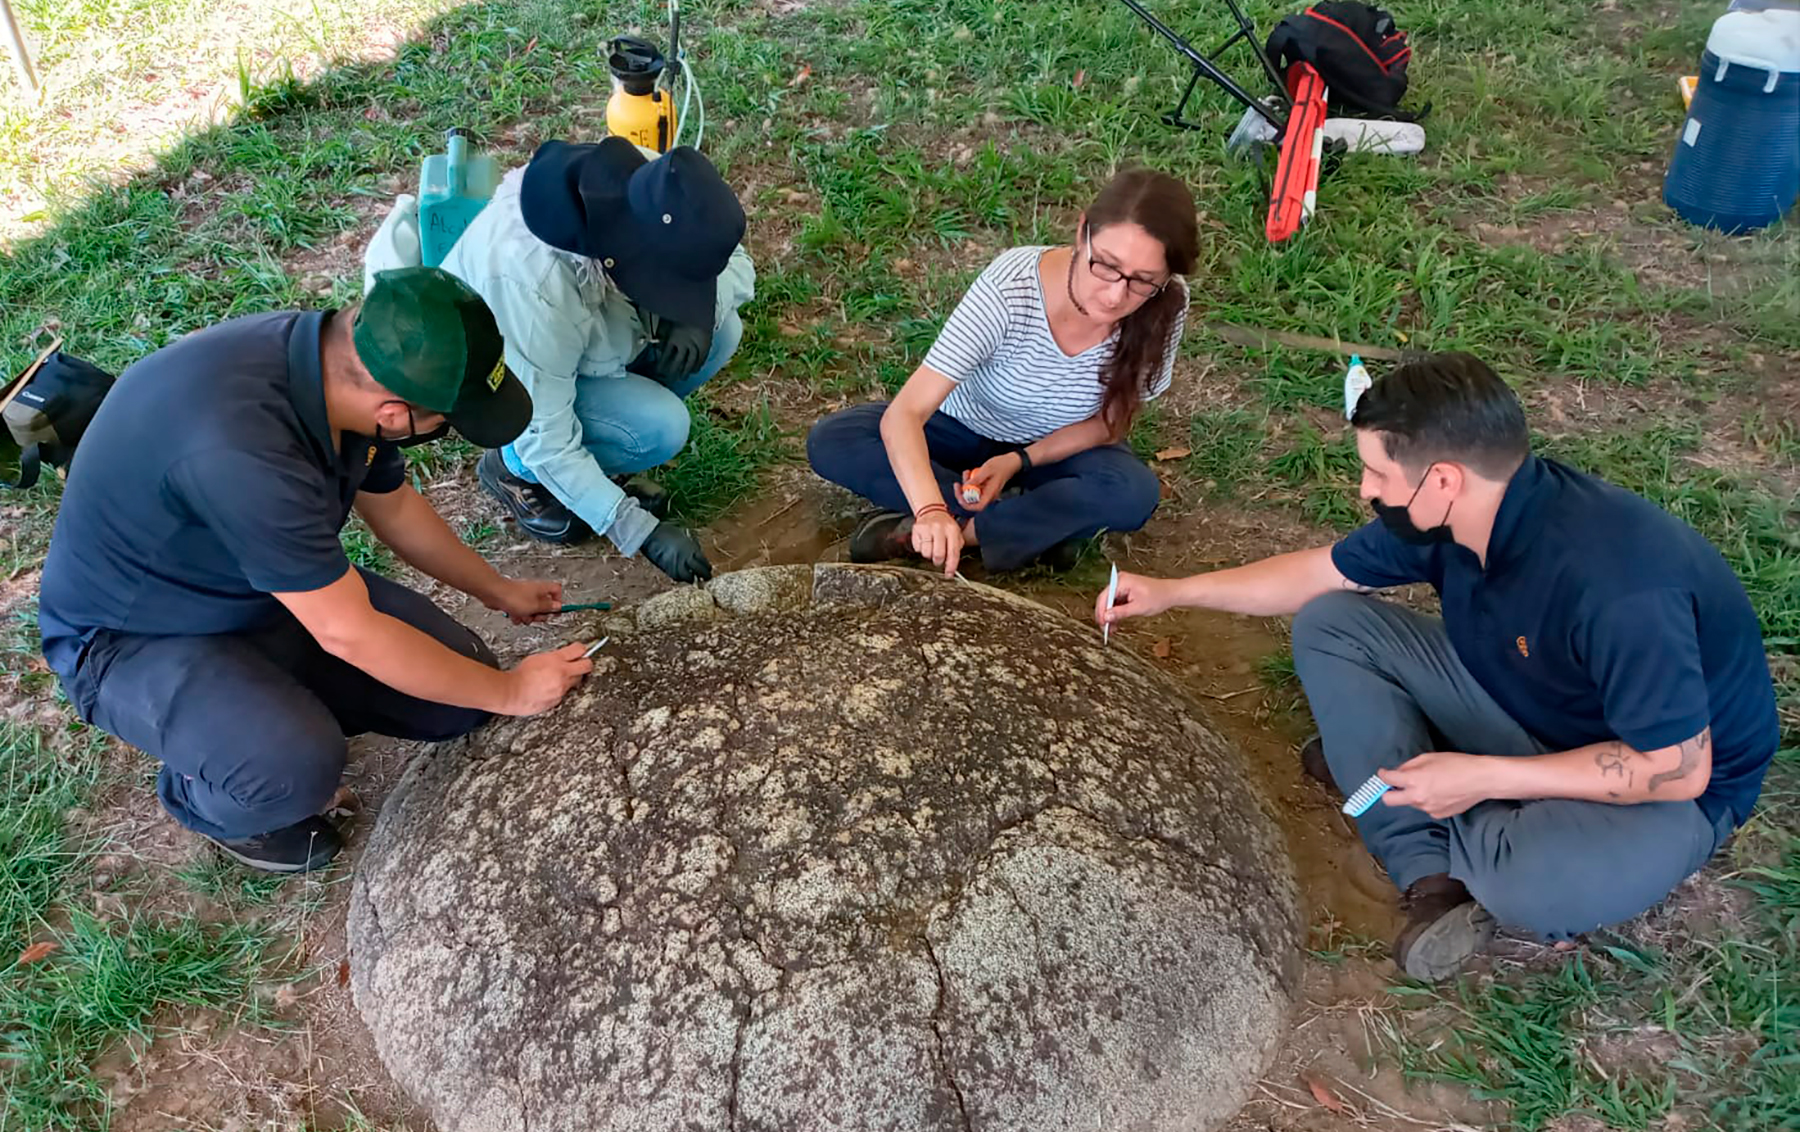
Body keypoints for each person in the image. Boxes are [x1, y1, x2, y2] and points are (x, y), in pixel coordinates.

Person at [1097, 353, 1779, 981]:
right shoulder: (1450, 517)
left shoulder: (1618, 586)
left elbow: (1677, 768)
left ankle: (1429, 791)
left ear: (1444, 478)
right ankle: (1431, 869)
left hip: (1671, 791)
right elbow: (1319, 574)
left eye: (1378, 474)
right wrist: (1172, 591)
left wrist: (1484, 775)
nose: (1366, 490)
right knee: (1334, 622)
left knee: (1530, 886)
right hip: (1529, 711)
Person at [36, 268, 595, 874]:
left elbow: (395, 505)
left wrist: (497, 588)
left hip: (255, 592)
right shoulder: (245, 452)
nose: (442, 434)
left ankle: (264, 705)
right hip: (132, 641)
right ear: (392, 413)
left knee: (457, 699)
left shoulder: (335, 366)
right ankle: (210, 794)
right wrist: (513, 691)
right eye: (442, 424)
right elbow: (347, 631)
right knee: (292, 767)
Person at [806, 168, 1197, 576]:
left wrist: (1019, 460)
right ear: (1082, 232)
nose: (1116, 294)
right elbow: (905, 414)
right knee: (835, 440)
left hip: (1054, 448)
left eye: (1142, 282)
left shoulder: (1166, 304)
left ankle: (969, 530)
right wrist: (930, 507)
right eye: (1106, 266)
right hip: (960, 428)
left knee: (1132, 492)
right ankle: (1032, 523)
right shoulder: (1012, 287)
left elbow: (1110, 422)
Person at [438, 137, 755, 580]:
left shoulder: (658, 187)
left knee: (724, 332)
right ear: (629, 261)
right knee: (660, 428)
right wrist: (638, 530)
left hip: (586, 339)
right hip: (511, 378)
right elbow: (543, 434)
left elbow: (734, 259)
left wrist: (698, 316)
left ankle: (598, 459)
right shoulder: (531, 279)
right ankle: (513, 470)